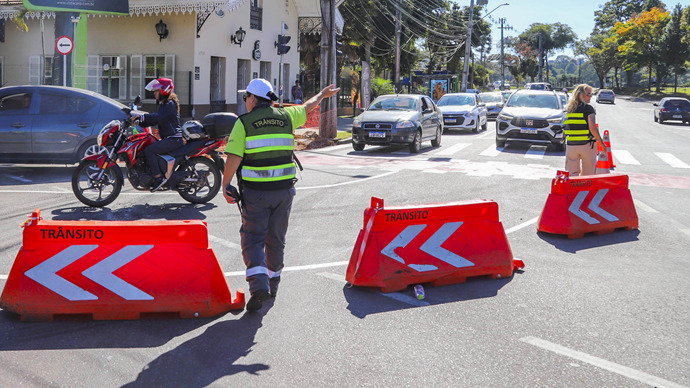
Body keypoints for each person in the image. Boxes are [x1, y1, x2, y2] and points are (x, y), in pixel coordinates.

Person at [222, 78, 339, 312]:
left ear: (253, 99)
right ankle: (273, 284)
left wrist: (225, 184)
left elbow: (234, 157)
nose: (245, 101)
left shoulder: (243, 122)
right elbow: (307, 107)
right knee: (276, 239)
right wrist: (322, 94)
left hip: (256, 194)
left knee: (253, 239)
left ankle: (259, 287)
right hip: (284, 192)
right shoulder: (286, 116)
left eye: (246, 97)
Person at [131, 78, 184, 191]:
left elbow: (157, 117)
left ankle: (158, 177)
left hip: (173, 139)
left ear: (164, 90)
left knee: (149, 150)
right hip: (170, 139)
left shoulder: (169, 104)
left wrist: (141, 116)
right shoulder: (165, 105)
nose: (154, 93)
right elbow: (154, 120)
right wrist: (139, 121)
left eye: (156, 91)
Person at [563, 84, 607, 176]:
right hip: (587, 145)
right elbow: (592, 127)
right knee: (588, 173)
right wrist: (601, 143)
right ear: (581, 95)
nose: (591, 96)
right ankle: (584, 190)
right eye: (589, 94)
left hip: (571, 145)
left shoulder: (568, 109)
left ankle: (573, 190)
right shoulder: (588, 109)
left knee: (571, 174)